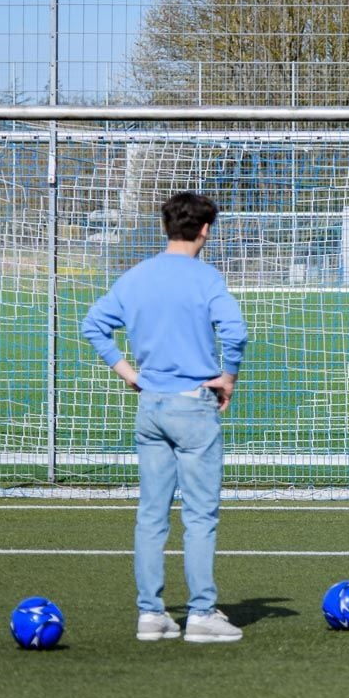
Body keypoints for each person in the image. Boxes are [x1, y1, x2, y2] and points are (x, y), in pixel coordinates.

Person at [82, 191, 249, 642]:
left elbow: (93, 324)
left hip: (150, 405)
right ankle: (201, 614)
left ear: (166, 227)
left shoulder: (136, 277)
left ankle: (151, 614)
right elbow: (235, 331)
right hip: (193, 406)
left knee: (151, 514)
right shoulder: (206, 278)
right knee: (199, 515)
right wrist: (228, 378)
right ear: (205, 230)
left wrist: (127, 373)